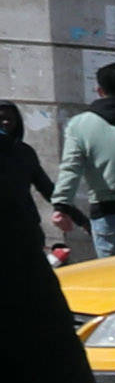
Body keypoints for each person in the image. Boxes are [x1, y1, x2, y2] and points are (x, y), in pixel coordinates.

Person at [53, 64, 115, 256]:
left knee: (112, 278)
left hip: (105, 216)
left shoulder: (80, 125)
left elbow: (71, 168)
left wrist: (61, 206)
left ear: (99, 91)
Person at [0, 102, 50, 265]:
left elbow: (46, 187)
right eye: (1, 119)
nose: (6, 123)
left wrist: (76, 216)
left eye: (10, 119)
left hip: (26, 229)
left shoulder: (24, 152)